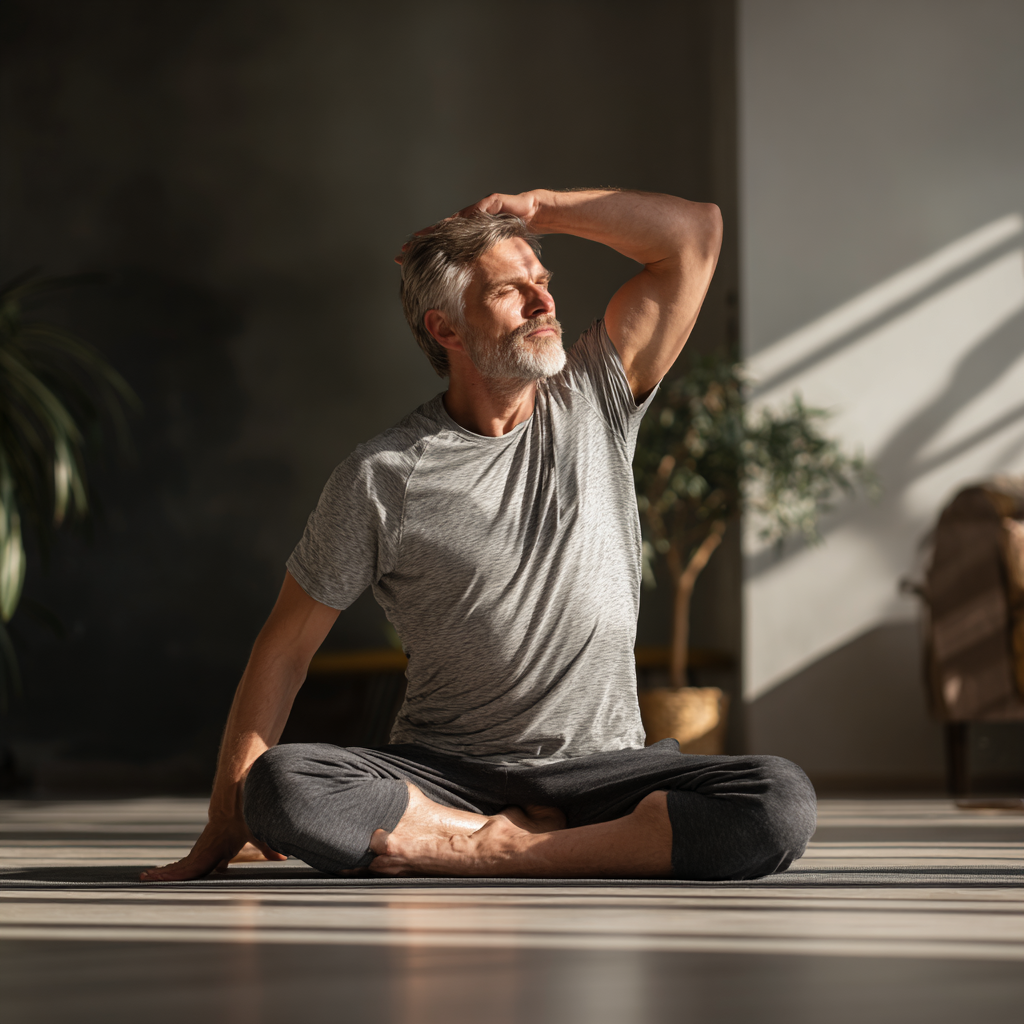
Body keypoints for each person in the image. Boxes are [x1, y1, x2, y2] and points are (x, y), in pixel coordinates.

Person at [141, 188, 816, 883]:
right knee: (281, 785)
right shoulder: (382, 475)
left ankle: (498, 851)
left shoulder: (596, 398)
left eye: (542, 283)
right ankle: (531, 841)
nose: (543, 302)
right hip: (447, 776)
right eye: (509, 291)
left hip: (605, 773)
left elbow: (693, 236)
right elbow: (285, 647)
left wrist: (542, 208)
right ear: (448, 331)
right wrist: (230, 813)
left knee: (779, 803)